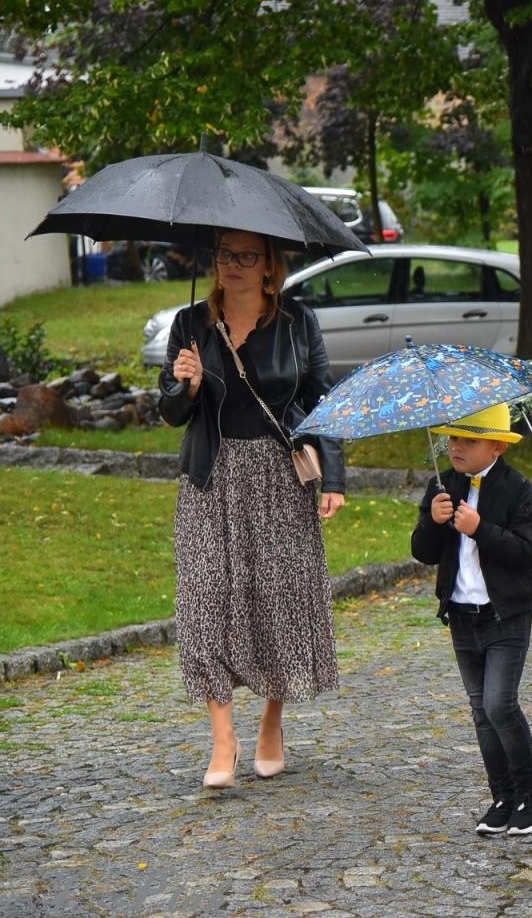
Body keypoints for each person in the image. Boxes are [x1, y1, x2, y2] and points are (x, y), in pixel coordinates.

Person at [160, 228, 346, 791]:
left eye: (246, 256)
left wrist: (333, 474)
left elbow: (322, 400)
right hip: (210, 478)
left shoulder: (297, 323)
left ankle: (271, 721)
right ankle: (223, 736)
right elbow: (169, 413)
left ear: (270, 267)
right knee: (204, 598)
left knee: (279, 600)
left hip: (278, 477)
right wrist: (183, 387)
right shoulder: (189, 324)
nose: (232, 265)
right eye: (223, 254)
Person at [410, 404, 532, 836]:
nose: (456, 447)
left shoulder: (517, 488)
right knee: (480, 711)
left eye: (468, 440)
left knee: (499, 704)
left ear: (495, 446)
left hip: (505, 614)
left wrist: (479, 528)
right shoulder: (442, 485)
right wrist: (434, 523)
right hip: (462, 615)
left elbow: (526, 552)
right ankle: (503, 795)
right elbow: (424, 551)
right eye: (453, 439)